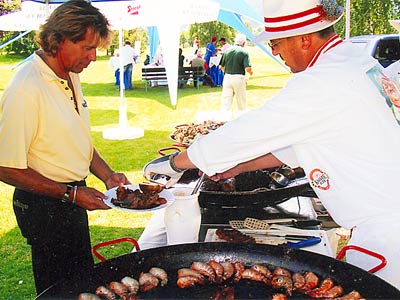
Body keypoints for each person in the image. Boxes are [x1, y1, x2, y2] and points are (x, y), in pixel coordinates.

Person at [143, 0, 400, 289]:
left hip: (388, 233)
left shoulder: (322, 81)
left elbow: (246, 131)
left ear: (304, 39)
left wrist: (176, 162)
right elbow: (305, 142)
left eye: (276, 42)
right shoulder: (354, 60)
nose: (274, 51)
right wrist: (240, 165)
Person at [0, 0, 131, 295]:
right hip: (44, 205)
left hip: (71, 196)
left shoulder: (70, 74)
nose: (94, 57)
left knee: (81, 282)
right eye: (87, 48)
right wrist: (72, 194)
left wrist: (107, 175)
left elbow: (77, 138)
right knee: (58, 290)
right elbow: (6, 167)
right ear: (57, 40)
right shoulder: (25, 88)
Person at [219, 34, 253, 115]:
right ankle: (241, 121)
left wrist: (227, 72)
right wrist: (251, 73)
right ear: (244, 43)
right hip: (239, 77)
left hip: (227, 77)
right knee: (241, 103)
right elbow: (248, 68)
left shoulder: (227, 50)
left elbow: (221, 66)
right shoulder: (244, 52)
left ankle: (223, 121)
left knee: (226, 103)